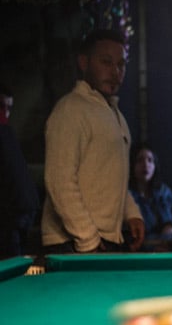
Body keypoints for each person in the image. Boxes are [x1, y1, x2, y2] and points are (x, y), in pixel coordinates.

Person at [41, 29, 144, 253]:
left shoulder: (114, 113)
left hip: (100, 240)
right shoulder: (70, 109)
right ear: (84, 62)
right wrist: (88, 240)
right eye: (106, 62)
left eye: (121, 64)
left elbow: (111, 178)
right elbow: (59, 182)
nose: (116, 72)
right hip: (72, 243)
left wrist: (132, 214)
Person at [0, 83, 40, 258]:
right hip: (9, 223)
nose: (5, 113)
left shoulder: (6, 134)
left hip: (18, 222)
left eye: (9, 108)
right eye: (1, 107)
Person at [129, 143, 172, 240]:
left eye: (150, 160)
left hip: (166, 248)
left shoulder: (163, 191)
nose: (145, 165)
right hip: (141, 250)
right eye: (140, 160)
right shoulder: (128, 196)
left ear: (155, 165)